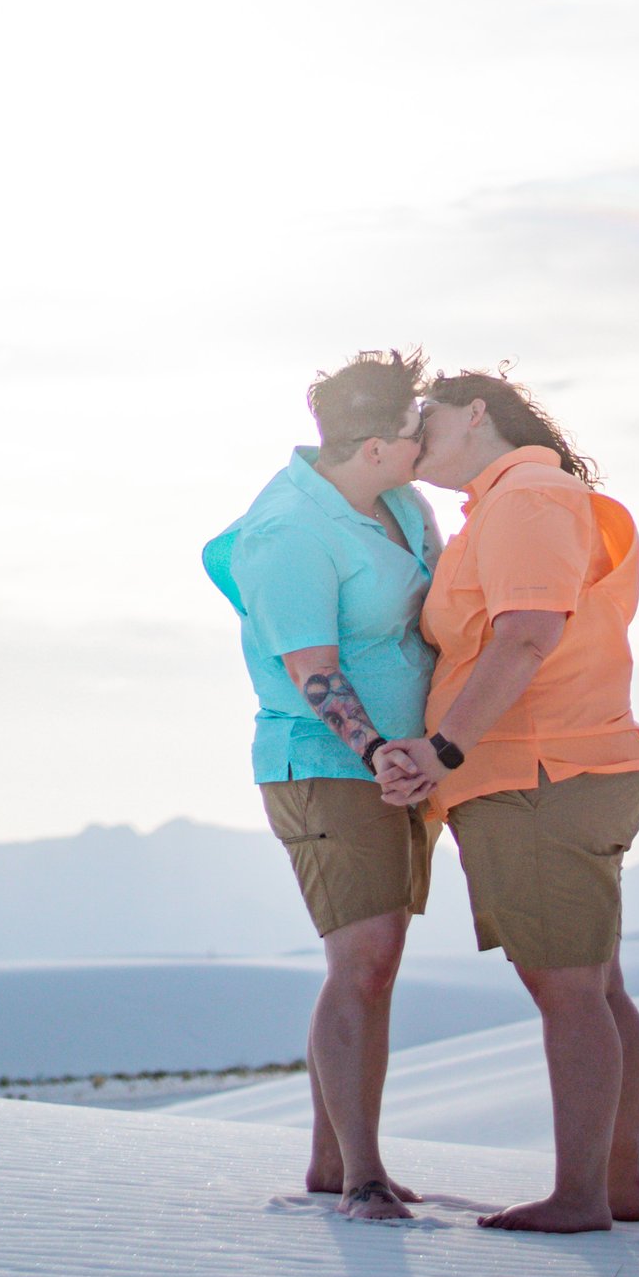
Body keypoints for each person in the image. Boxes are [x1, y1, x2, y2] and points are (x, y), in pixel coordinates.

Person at [376, 372, 639, 1233]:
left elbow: (528, 634)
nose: (412, 437)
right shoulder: (510, 504)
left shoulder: (529, 498)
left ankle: (581, 1198)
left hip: (541, 773)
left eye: (424, 418)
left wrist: (443, 747)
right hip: (557, 769)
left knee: (570, 991)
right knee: (595, 987)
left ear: (475, 413)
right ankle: (613, 1186)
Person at [202, 349, 440, 1221]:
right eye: (418, 430)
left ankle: (331, 1160)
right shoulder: (289, 533)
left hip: (401, 767)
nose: (429, 443)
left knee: (379, 962)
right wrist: (377, 750)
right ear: (377, 443)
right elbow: (313, 668)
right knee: (363, 960)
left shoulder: (399, 507)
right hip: (328, 762)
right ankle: (362, 1176)